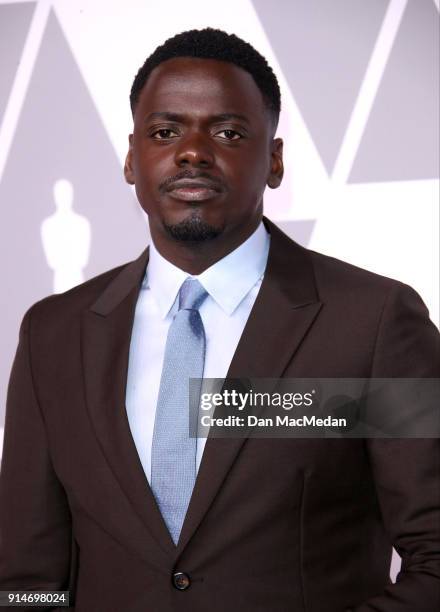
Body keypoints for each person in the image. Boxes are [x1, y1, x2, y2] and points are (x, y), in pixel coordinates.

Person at [0, 28, 439, 612]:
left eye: (228, 132)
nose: (192, 152)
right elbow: (29, 577)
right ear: (132, 159)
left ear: (275, 160)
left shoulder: (372, 323)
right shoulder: (54, 332)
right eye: (164, 132)